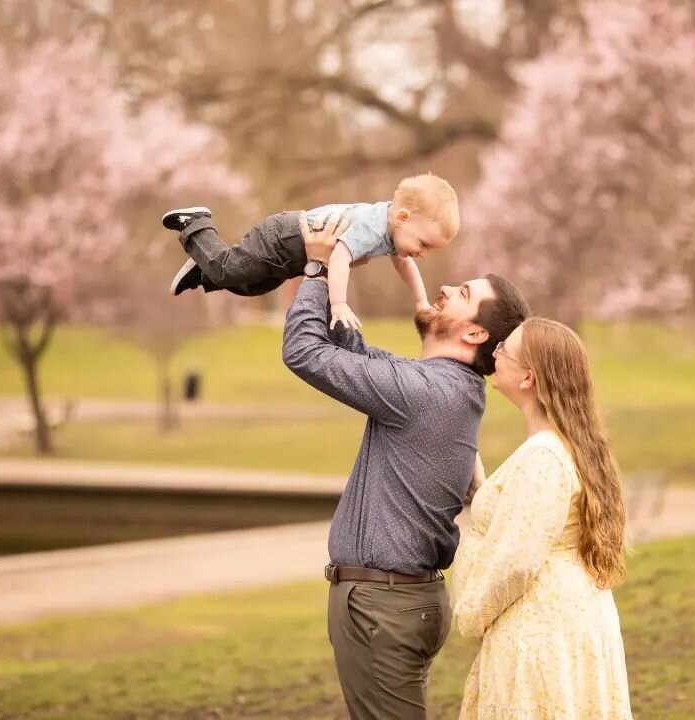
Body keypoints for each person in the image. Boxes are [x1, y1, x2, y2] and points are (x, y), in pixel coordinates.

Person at [281, 212, 531, 719]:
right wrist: (341, 276)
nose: (443, 287)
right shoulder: (443, 388)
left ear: (476, 334)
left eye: (461, 293)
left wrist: (315, 270)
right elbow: (355, 356)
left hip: (383, 607)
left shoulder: (425, 393)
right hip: (393, 605)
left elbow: (304, 351)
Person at [451, 317, 633, 720]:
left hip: (542, 631)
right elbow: (532, 525)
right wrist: (486, 494)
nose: (494, 352)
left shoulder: (544, 456)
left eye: (504, 350)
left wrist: (470, 614)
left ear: (529, 377)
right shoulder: (561, 447)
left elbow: (514, 562)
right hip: (571, 620)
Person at [161, 173, 458, 329]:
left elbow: (405, 265)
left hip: (296, 255)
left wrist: (420, 301)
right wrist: (338, 304)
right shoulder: (372, 226)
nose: (423, 253)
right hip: (286, 236)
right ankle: (196, 223)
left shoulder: (394, 231)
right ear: (403, 219)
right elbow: (339, 257)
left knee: (252, 286)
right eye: (424, 244)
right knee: (232, 270)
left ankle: (203, 270)